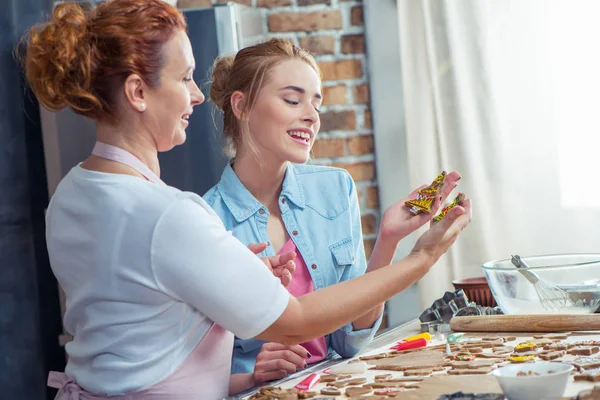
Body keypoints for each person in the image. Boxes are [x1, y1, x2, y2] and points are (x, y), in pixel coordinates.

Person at [21, 0, 471, 398]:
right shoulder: (173, 215)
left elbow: (139, 327)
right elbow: (294, 321)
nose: (198, 95)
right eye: (184, 77)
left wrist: (236, 277)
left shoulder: (70, 195)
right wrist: (423, 258)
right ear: (138, 92)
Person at [203, 38, 462, 380]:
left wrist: (387, 240)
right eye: (293, 100)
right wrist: (249, 376)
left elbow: (349, 341)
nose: (311, 116)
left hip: (332, 385)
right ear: (242, 106)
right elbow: (189, 377)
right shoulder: (206, 221)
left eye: (316, 105)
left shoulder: (335, 189)